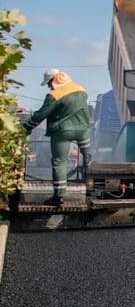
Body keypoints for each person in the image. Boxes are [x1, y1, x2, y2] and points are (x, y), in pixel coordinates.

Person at [22, 69, 93, 207]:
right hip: (83, 130)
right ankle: (88, 155)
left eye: (49, 83)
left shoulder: (54, 95)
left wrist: (27, 128)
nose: (49, 86)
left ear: (54, 80)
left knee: (59, 162)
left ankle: (58, 197)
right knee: (86, 151)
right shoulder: (81, 89)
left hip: (62, 131)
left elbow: (41, 114)